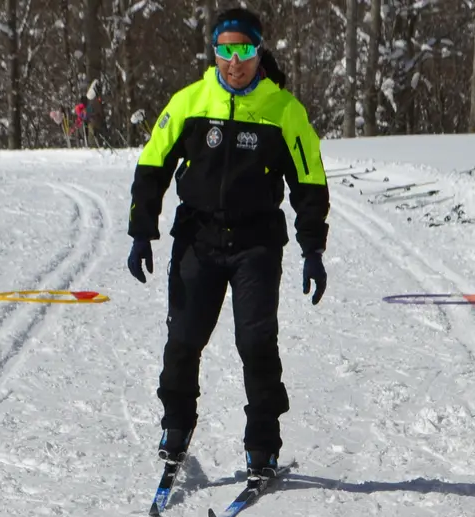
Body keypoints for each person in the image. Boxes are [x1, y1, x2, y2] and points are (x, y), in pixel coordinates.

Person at [126, 7, 328, 481]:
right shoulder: (191, 101)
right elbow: (151, 167)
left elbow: (310, 182)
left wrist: (313, 248)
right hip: (198, 239)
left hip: (256, 243)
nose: (233, 61)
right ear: (213, 52)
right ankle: (176, 427)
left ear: (259, 51)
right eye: (224, 50)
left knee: (256, 343)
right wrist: (141, 231)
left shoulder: (284, 111)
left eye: (243, 50)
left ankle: (263, 446)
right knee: (183, 341)